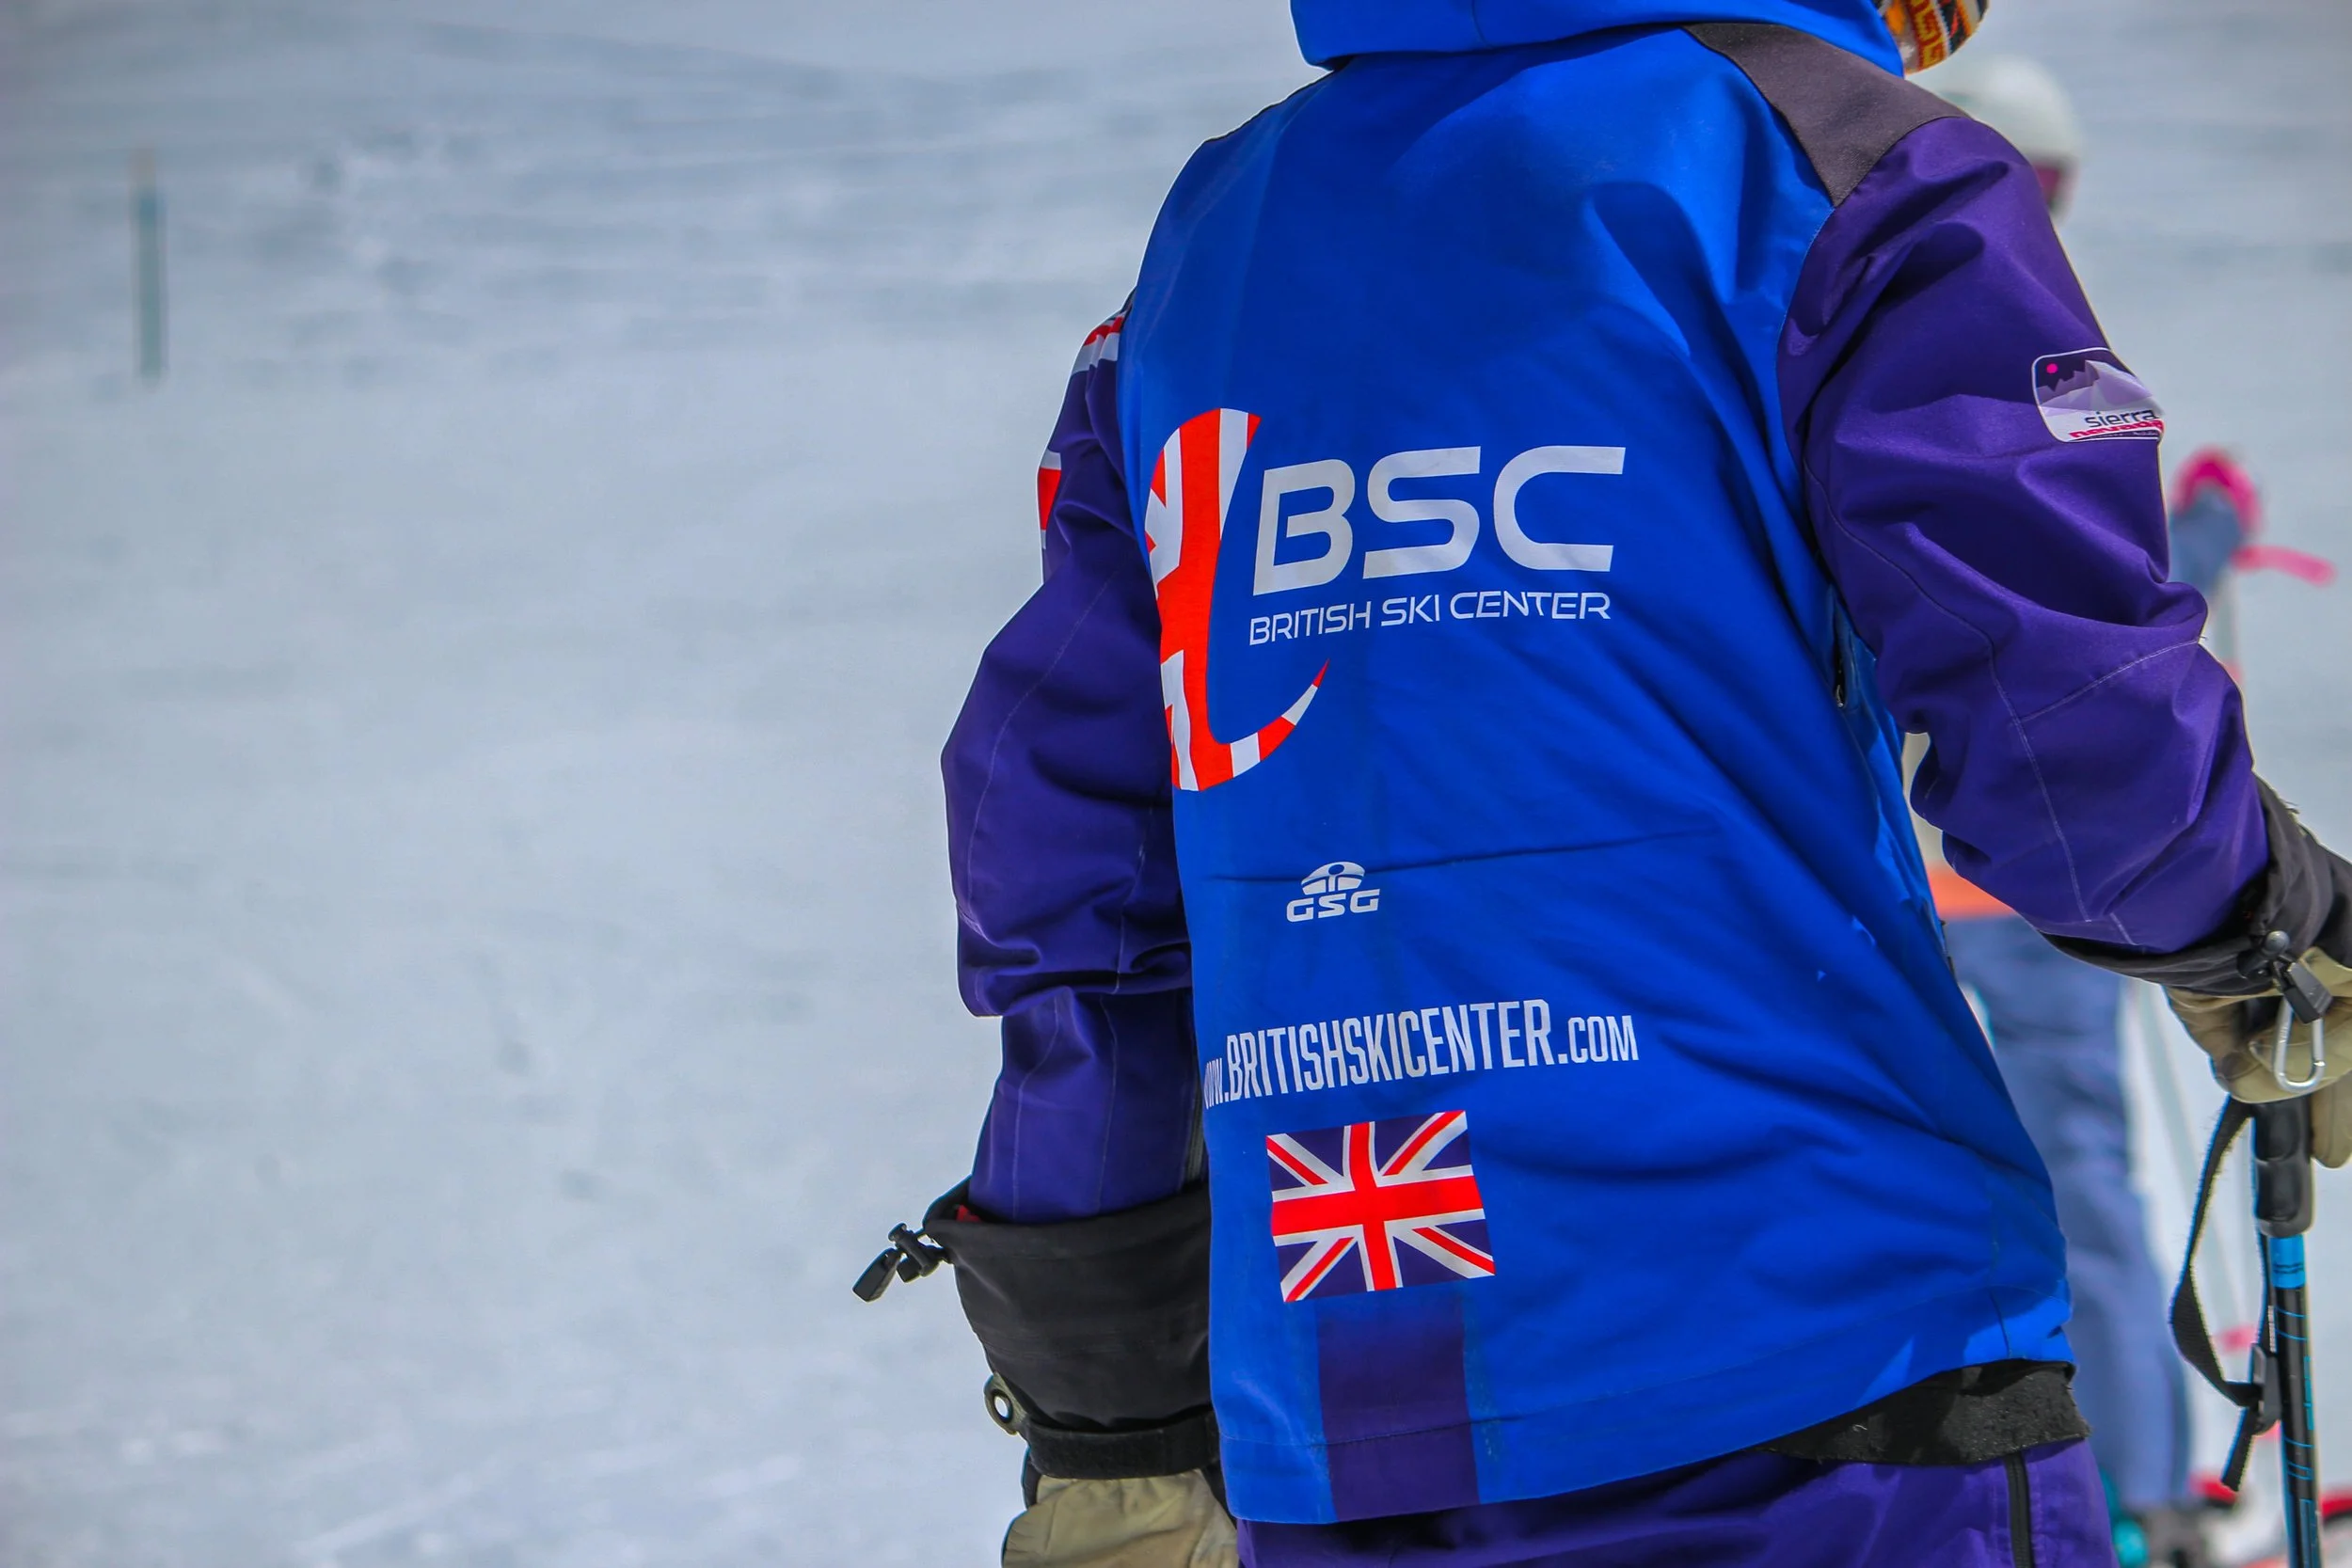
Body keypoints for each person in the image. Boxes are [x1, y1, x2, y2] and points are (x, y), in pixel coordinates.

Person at [897, 2, 2352, 1563]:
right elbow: (2065, 721)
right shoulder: (1831, 162)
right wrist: (2270, 925)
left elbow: (1074, 864)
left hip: (1358, 1414)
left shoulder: (1216, 239)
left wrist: (1106, 1411)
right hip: (1824, 1371)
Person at [1906, 53, 2201, 1568]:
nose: (2050, 217)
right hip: (1999, 882)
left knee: (2067, 1181)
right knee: (2051, 1184)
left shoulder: (1961, 323)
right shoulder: (1979, 324)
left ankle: (2134, 1498)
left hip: (2005, 890)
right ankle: (2121, 1495)